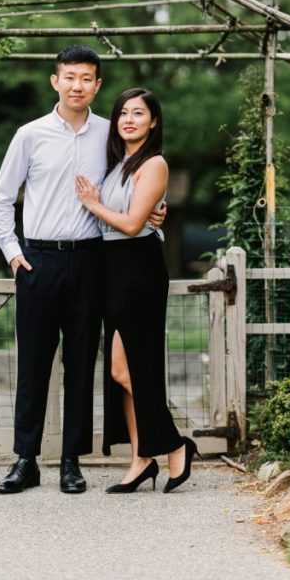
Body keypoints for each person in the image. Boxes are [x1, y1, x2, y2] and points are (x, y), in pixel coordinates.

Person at [0, 45, 165, 494]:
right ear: (56, 81)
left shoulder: (110, 136)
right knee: (33, 364)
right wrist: (13, 252)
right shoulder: (29, 135)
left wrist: (158, 210)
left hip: (92, 261)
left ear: (97, 85)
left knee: (83, 363)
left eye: (86, 78)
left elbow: (138, 180)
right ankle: (25, 461)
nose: (77, 86)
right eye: (69, 77)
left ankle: (72, 461)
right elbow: (2, 198)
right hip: (39, 260)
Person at [75, 87, 199, 494]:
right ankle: (142, 458)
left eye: (139, 113)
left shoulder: (155, 163)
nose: (129, 119)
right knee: (121, 370)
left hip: (138, 266)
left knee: (130, 367)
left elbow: (130, 224)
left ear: (154, 122)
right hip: (113, 267)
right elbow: (140, 213)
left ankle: (173, 445)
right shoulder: (118, 163)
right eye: (123, 113)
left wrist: (93, 205)